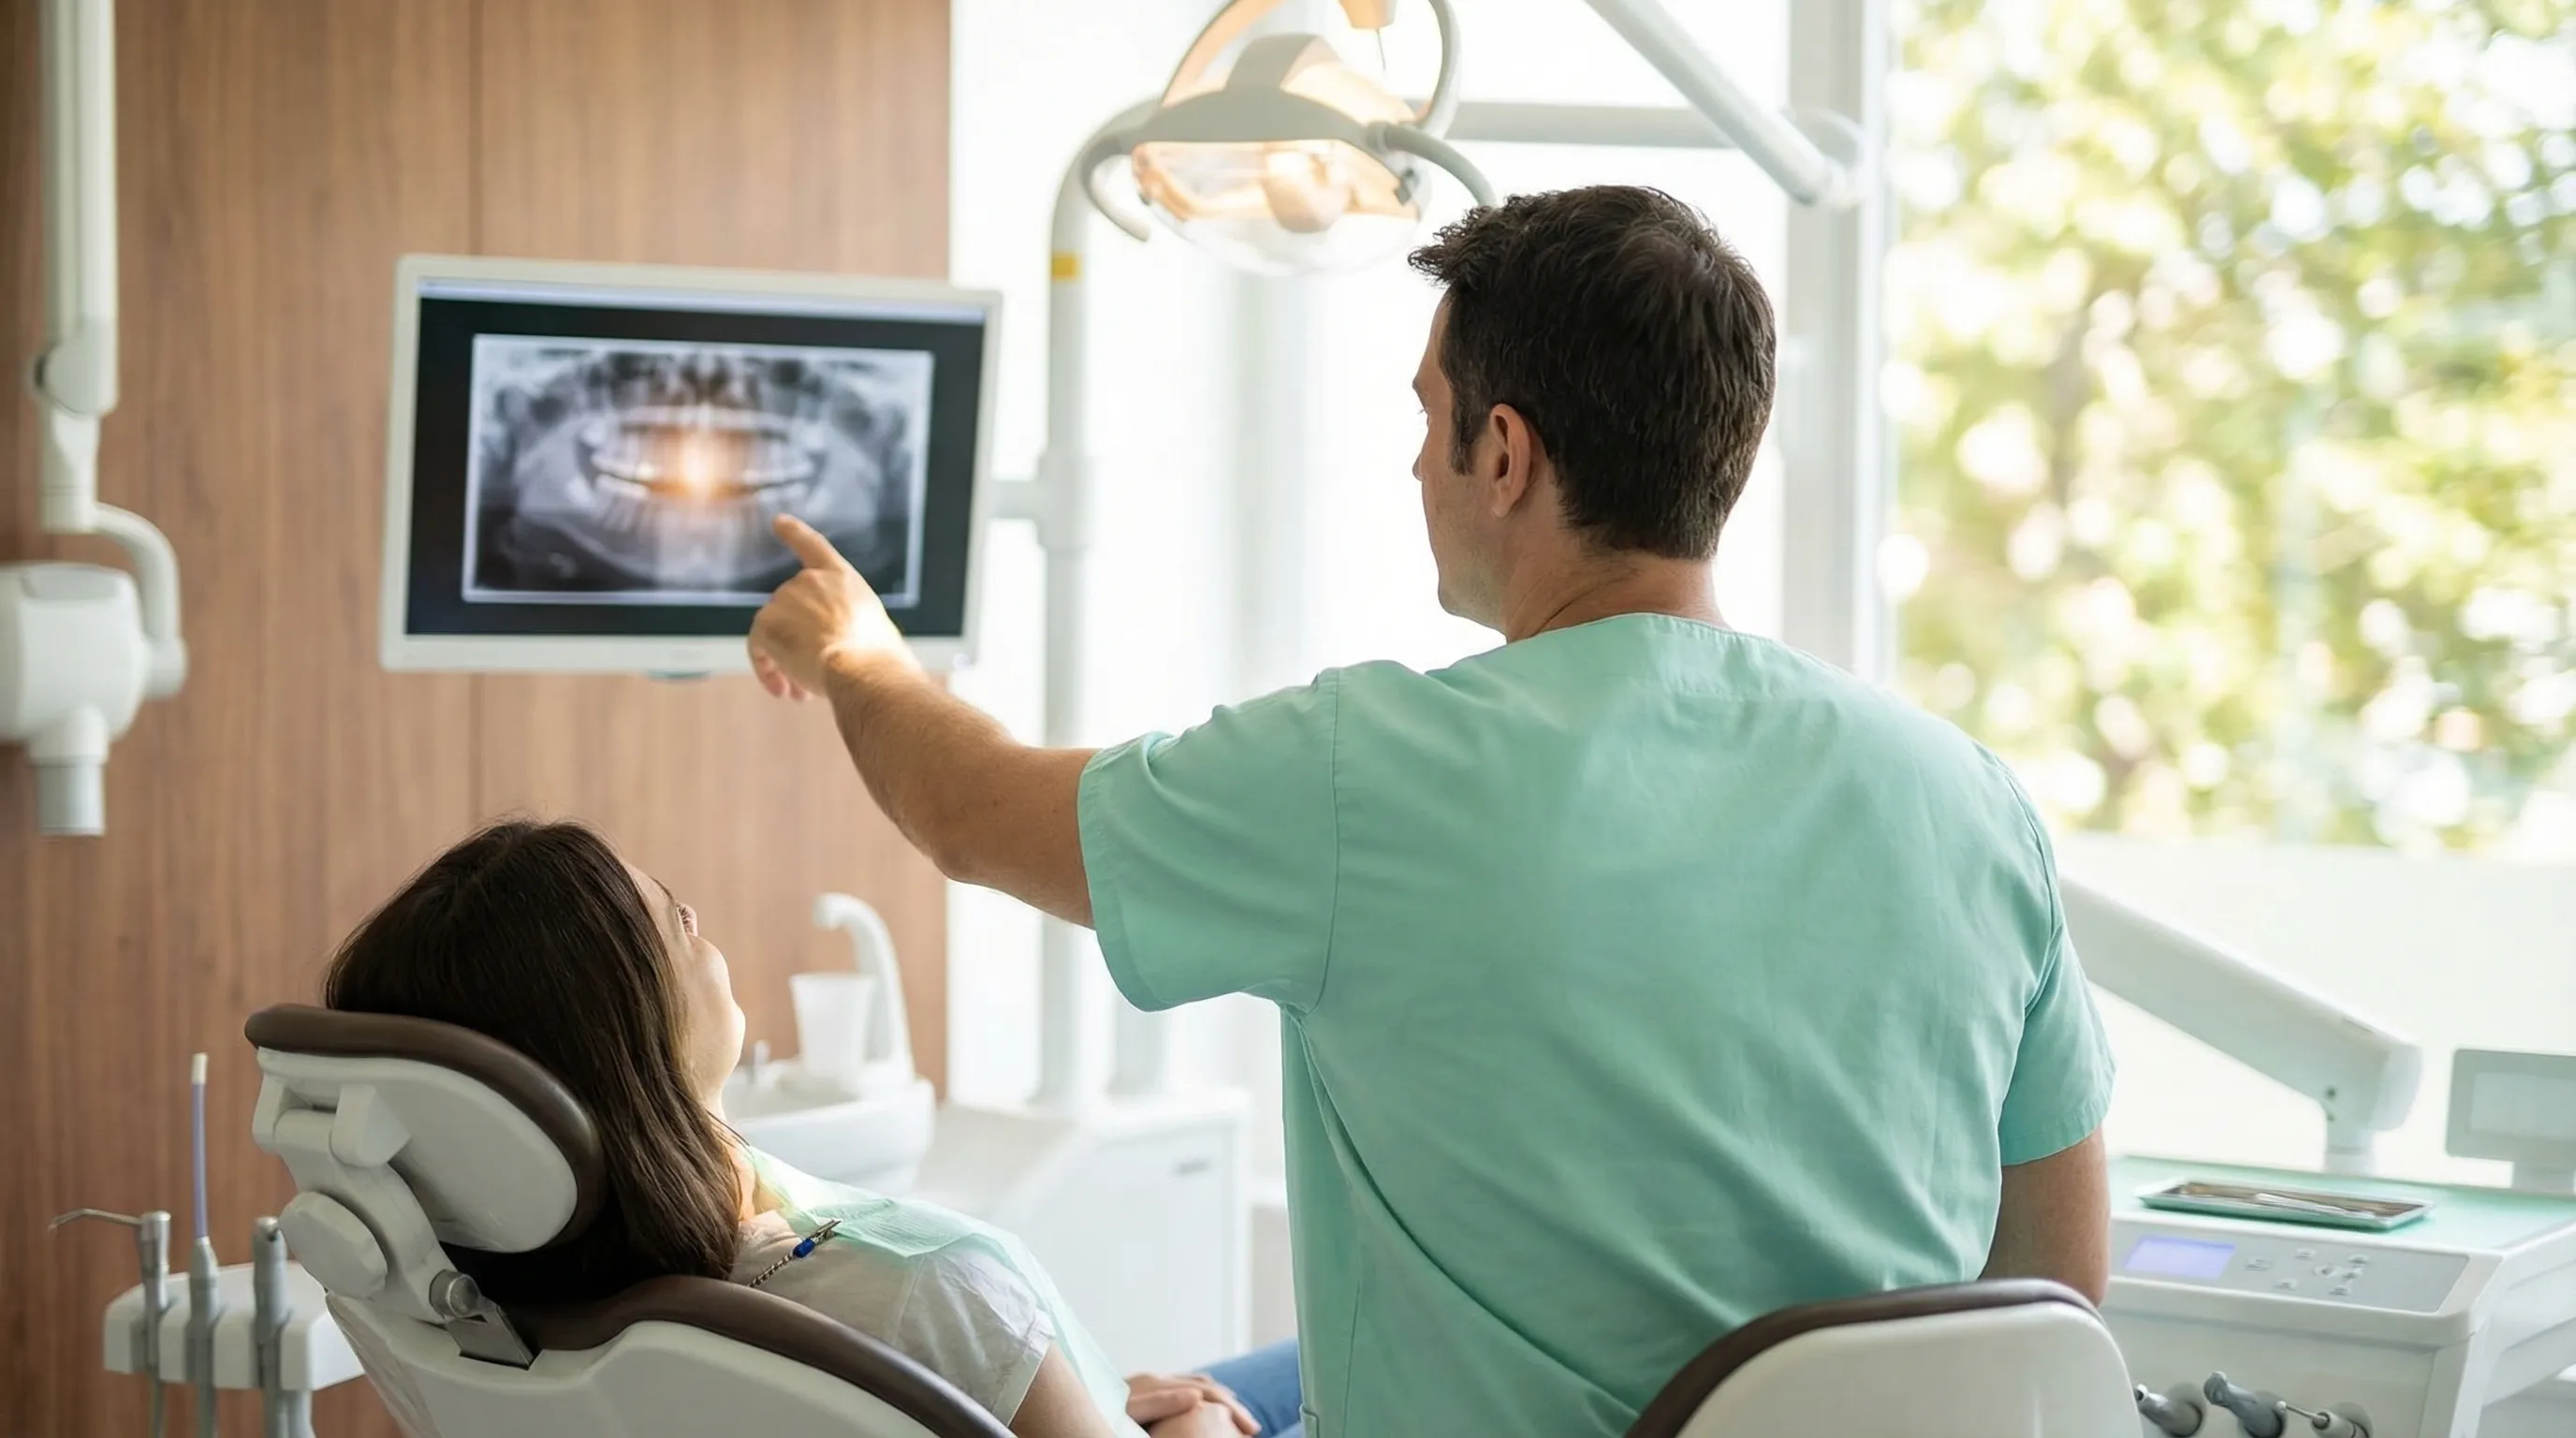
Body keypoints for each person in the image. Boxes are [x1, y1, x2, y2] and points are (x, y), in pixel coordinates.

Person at [745, 184, 2116, 1437]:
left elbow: (970, 816)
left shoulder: (1366, 776)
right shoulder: (1973, 803)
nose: (1415, 466)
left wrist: (856, 650)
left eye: (1426, 416)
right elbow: (2054, 1302)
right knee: (1235, 1386)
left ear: (1504, 453)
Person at [321, 818, 1284, 1438]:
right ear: (612, 1040)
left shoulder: (502, 1306)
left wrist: (1069, 1388)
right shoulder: (925, 1291)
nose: (689, 911)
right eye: (663, 922)